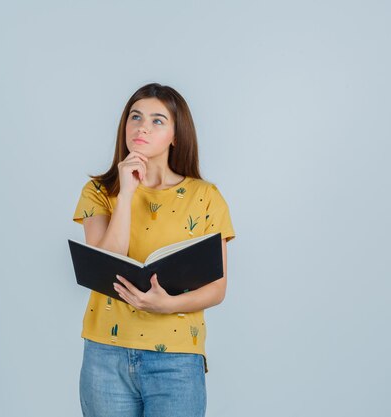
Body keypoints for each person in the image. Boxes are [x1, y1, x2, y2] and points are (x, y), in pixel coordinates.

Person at [72, 82, 235, 417]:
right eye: (135, 116)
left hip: (176, 360)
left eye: (157, 120)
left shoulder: (206, 197)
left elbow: (217, 288)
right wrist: (128, 191)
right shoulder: (100, 191)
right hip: (105, 355)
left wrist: (168, 304)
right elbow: (105, 265)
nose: (142, 126)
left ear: (176, 135)